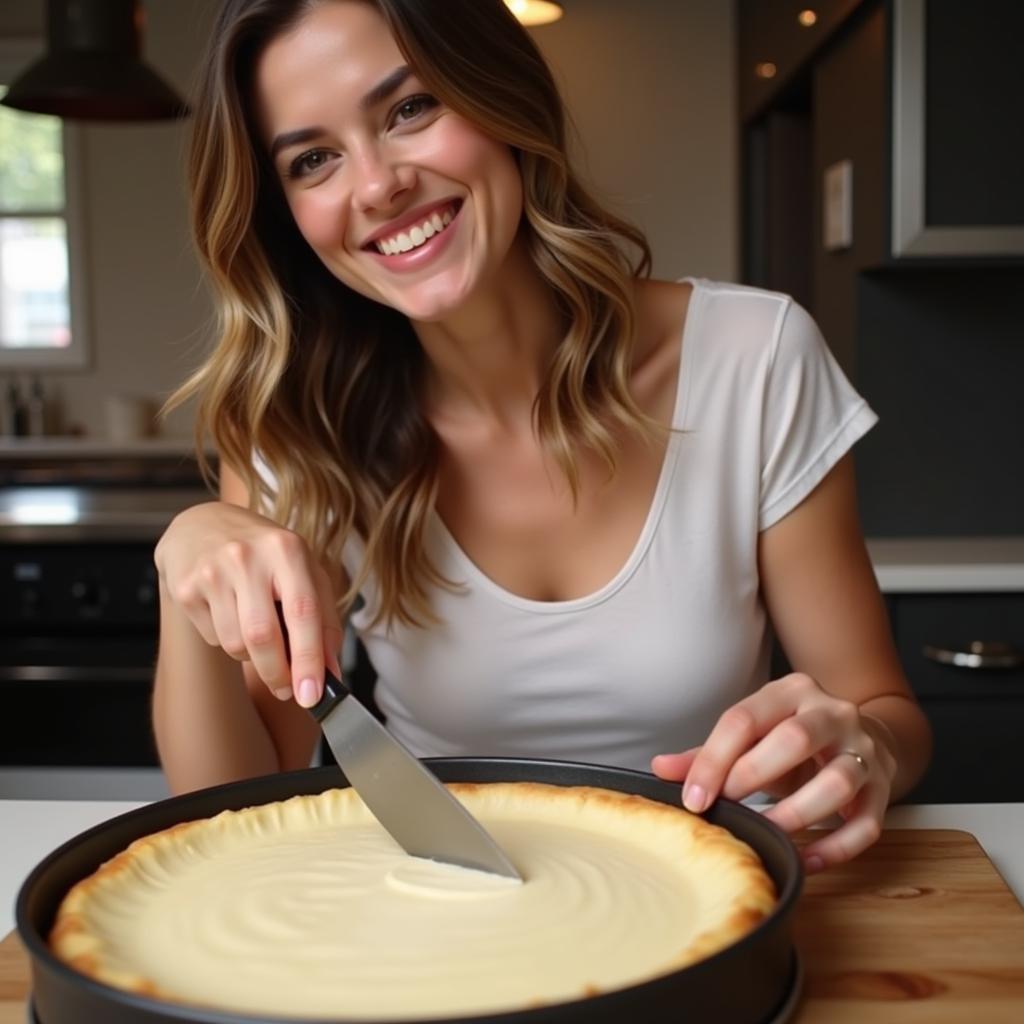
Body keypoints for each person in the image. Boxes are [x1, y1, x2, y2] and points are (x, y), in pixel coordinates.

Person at [153, 0, 932, 875]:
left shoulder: (754, 356)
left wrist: (865, 747)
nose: (377, 187)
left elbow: (884, 709)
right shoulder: (304, 430)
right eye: (314, 159)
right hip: (454, 913)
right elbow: (225, 800)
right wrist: (185, 573)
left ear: (501, 100)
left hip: (716, 895)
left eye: (411, 109)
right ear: (284, 213)